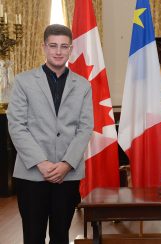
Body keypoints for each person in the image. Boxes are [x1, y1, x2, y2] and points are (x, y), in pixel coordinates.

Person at [7, 24, 93, 244]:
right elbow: (17, 125)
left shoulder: (83, 85)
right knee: (33, 236)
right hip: (32, 174)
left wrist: (66, 163)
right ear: (43, 47)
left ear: (71, 49)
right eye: (53, 45)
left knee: (60, 235)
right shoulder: (24, 81)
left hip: (68, 175)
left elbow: (84, 127)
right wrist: (41, 162)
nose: (58, 51)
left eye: (64, 47)